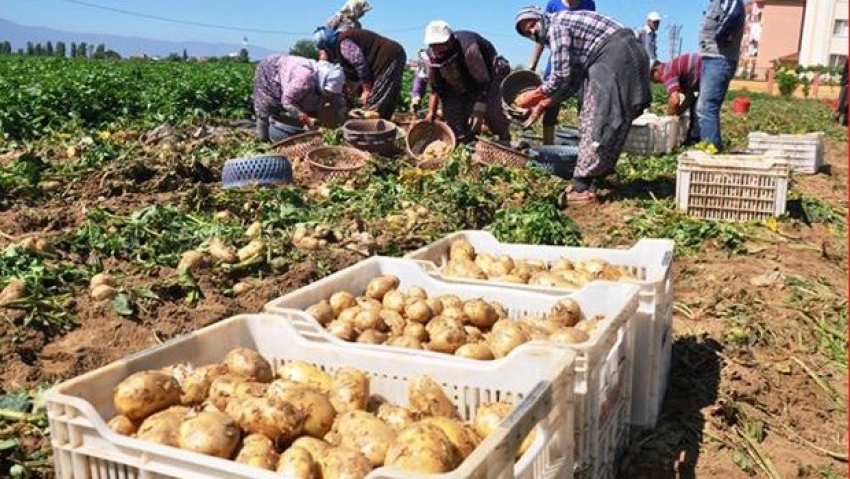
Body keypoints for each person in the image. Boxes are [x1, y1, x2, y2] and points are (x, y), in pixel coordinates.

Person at [514, 6, 651, 204]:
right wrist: (543, 103)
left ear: (540, 18)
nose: (532, 32)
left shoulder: (556, 27)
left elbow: (560, 76)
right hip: (628, 54)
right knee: (614, 119)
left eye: (532, 25)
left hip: (614, 54)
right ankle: (595, 177)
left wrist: (533, 96)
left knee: (596, 119)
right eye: (527, 33)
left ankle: (581, 186)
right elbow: (571, 81)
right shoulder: (563, 28)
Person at [422, 20, 512, 144]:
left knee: (491, 111)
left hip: (489, 73)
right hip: (460, 78)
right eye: (433, 45)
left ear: (450, 40)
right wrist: (431, 112)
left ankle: (504, 138)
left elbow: (483, 81)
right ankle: (466, 142)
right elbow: (436, 87)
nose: (437, 48)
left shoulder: (469, 49)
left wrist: (479, 107)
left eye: (441, 44)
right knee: (453, 117)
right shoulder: (431, 56)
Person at [525, 0, 597, 145]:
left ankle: (585, 144)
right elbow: (541, 35)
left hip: (580, 62)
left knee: (585, 104)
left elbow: (591, 31)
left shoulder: (589, 4)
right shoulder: (553, 5)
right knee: (550, 104)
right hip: (557, 60)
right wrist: (533, 64)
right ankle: (548, 145)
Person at [313, 26, 406, 120]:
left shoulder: (343, 43)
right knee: (386, 99)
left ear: (327, 46)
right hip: (393, 54)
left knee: (376, 100)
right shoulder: (341, 46)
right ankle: (383, 125)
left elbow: (360, 63)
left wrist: (366, 89)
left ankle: (374, 129)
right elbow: (352, 72)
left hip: (388, 57)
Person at [252, 54, 348, 142]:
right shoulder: (304, 79)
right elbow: (287, 102)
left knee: (311, 110)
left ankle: (306, 136)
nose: (329, 96)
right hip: (270, 70)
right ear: (322, 82)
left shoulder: (333, 80)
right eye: (327, 92)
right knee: (266, 108)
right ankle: (263, 140)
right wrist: (305, 118)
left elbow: (338, 100)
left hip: (297, 84)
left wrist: (343, 118)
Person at [697, 0, 745, 151]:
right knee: (706, 106)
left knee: (706, 106)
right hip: (712, 58)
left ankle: (712, 149)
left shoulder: (729, 1)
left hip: (719, 59)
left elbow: (735, 14)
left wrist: (721, 36)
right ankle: (710, 146)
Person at [651, 53, 702, 145]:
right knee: (695, 107)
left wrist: (669, 116)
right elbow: (690, 97)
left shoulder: (667, 72)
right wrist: (678, 112)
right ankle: (695, 138)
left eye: (653, 79)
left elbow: (674, 100)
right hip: (703, 72)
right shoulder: (673, 68)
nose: (654, 83)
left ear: (656, 70)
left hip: (707, 71)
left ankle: (703, 141)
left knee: (701, 111)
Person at [410, 49, 430, 114]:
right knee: (425, 91)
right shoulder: (429, 56)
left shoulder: (422, 58)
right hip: (429, 75)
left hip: (421, 75)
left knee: (416, 90)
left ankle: (416, 98)